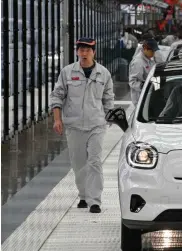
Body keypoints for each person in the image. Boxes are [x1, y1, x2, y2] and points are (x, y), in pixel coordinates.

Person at [49, 37, 115, 213]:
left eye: (87, 50)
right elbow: (57, 96)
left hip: (97, 125)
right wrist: (57, 119)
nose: (84, 53)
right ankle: (84, 196)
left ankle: (95, 201)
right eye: (81, 50)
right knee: (79, 163)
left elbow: (108, 99)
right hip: (74, 125)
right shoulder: (67, 72)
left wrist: (111, 117)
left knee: (94, 161)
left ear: (93, 52)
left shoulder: (103, 74)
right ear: (77, 52)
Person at [128, 39, 159, 106]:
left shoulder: (150, 59)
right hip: (140, 99)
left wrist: (157, 87)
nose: (153, 53)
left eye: (154, 51)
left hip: (149, 96)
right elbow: (133, 82)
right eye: (152, 51)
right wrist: (146, 86)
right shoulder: (138, 62)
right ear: (145, 48)